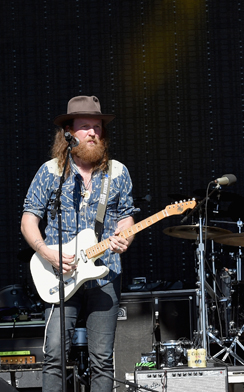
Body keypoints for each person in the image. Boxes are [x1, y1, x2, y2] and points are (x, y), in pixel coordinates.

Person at [21, 96, 139, 391]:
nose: (92, 133)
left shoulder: (117, 172)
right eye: (85, 127)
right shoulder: (50, 172)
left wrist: (126, 236)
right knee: (55, 356)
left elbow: (126, 218)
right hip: (58, 274)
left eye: (97, 127)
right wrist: (45, 251)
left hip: (105, 274)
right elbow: (28, 219)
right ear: (69, 133)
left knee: (102, 359)